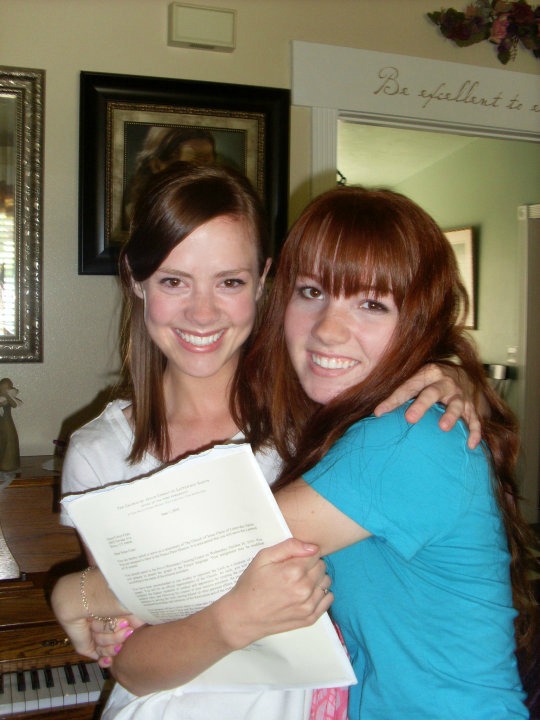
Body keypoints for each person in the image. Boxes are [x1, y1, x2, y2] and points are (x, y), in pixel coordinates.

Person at [51, 164, 481, 720]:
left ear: (262, 282)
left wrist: (452, 375)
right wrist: (220, 616)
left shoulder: (317, 421)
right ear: (136, 279)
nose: (202, 312)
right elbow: (129, 661)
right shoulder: (97, 453)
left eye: (229, 282)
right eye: (174, 281)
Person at [242, 186, 537, 719]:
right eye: (311, 291)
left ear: (419, 322)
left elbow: (217, 552)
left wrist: (87, 596)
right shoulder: (349, 427)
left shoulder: (409, 437)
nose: (328, 329)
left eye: (372, 304)